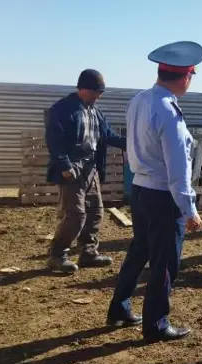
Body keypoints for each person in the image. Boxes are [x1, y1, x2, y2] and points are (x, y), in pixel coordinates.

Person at [104, 41, 202, 342]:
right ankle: (156, 324)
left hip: (140, 189)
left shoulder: (140, 99)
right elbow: (178, 169)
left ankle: (119, 307)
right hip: (163, 195)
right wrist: (189, 209)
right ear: (185, 77)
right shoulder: (168, 111)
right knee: (165, 262)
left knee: (140, 251)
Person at [45, 69, 126, 273]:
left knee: (95, 212)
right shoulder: (62, 109)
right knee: (76, 215)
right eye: (96, 92)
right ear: (83, 89)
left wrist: (134, 144)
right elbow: (54, 141)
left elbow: (109, 135)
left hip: (91, 168)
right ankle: (57, 254)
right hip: (72, 168)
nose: (98, 97)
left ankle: (89, 253)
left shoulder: (95, 111)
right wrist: (64, 166)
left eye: (100, 93)